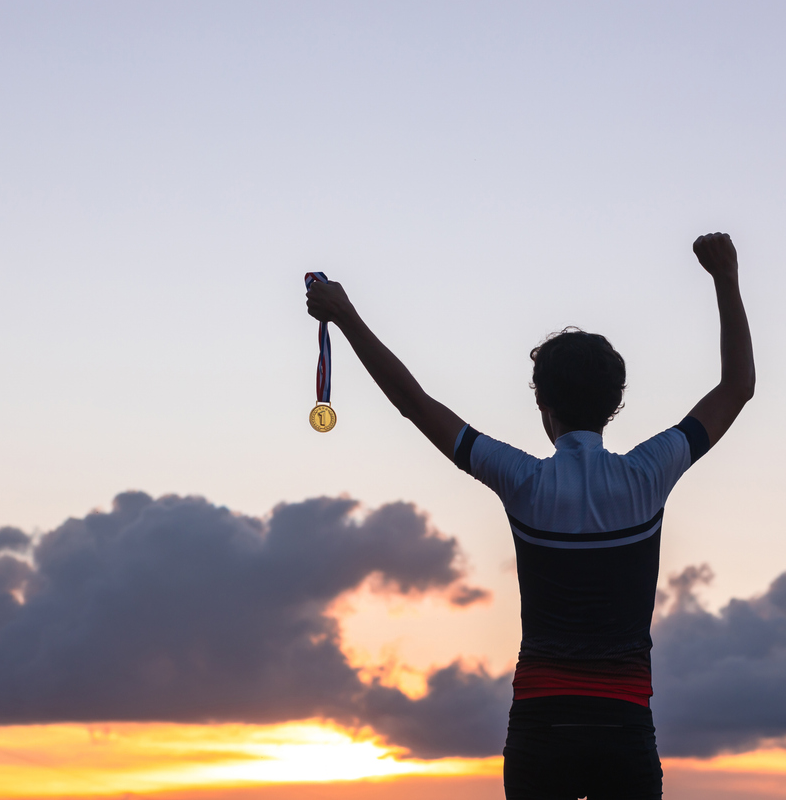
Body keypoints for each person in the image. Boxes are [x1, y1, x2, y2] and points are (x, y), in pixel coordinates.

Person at [305, 233, 754, 799]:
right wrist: (725, 276)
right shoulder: (648, 474)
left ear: (543, 403)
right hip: (623, 727)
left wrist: (345, 317)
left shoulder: (523, 480)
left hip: (541, 730)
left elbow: (414, 403)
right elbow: (737, 387)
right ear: (615, 404)